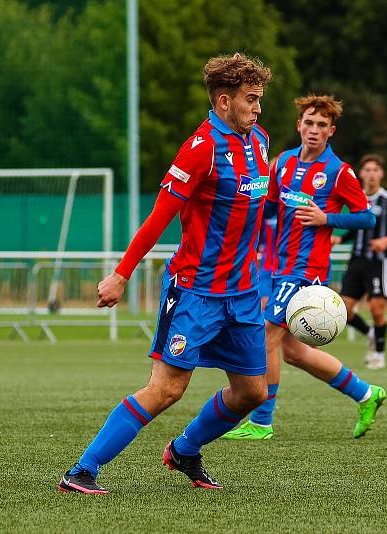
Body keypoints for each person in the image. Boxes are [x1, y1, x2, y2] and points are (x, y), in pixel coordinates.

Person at [58, 53, 273, 493]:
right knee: (167, 389)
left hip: (245, 292)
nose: (258, 108)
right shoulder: (202, 149)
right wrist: (121, 274)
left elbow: (255, 210)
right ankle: (82, 470)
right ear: (224, 101)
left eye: (259, 99)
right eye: (251, 100)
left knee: (253, 392)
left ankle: (184, 450)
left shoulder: (261, 141)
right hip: (196, 292)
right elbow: (158, 218)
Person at [222, 95, 386, 441]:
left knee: (264, 336)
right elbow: (266, 207)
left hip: (305, 271)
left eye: (322, 125)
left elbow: (367, 216)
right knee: (294, 351)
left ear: (332, 132)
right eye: (309, 123)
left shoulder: (338, 172)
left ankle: (262, 422)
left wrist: (328, 218)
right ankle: (366, 394)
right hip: (276, 265)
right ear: (299, 125)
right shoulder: (282, 162)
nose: (314, 130)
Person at [332, 154, 387, 369]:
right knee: (343, 311)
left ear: (381, 174)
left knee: (377, 310)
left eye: (375, 170)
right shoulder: (357, 198)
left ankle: (379, 354)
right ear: (361, 174)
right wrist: (341, 238)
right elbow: (357, 227)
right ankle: (370, 334)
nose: (371, 174)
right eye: (367, 170)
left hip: (378, 263)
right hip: (356, 262)